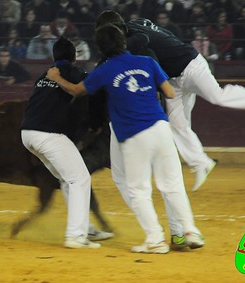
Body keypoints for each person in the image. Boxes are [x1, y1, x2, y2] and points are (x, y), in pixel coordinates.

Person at [46, 24, 204, 254]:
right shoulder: (147, 62)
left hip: (133, 135)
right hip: (161, 128)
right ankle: (190, 231)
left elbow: (77, 91)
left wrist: (56, 77)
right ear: (124, 41)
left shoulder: (105, 70)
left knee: (138, 191)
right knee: (172, 185)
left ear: (101, 47)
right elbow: (169, 92)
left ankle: (155, 240)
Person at [95, 10, 245, 193]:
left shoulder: (133, 41)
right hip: (174, 77)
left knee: (218, 96)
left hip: (191, 65)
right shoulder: (137, 24)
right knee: (177, 124)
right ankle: (201, 163)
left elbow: (148, 55)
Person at [21, 36, 110, 249]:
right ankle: (75, 236)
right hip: (48, 134)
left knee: (67, 179)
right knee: (80, 179)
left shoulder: (44, 75)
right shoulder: (71, 73)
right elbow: (87, 87)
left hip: (27, 134)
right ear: (74, 57)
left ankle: (85, 228)